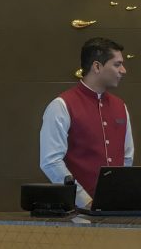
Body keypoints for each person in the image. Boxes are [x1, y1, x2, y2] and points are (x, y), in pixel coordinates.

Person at [39, 38, 134, 209]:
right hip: (75, 210)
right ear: (97, 66)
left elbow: (127, 157)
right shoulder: (61, 105)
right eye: (117, 64)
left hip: (115, 208)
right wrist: (85, 201)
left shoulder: (121, 106)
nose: (123, 70)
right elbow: (51, 161)